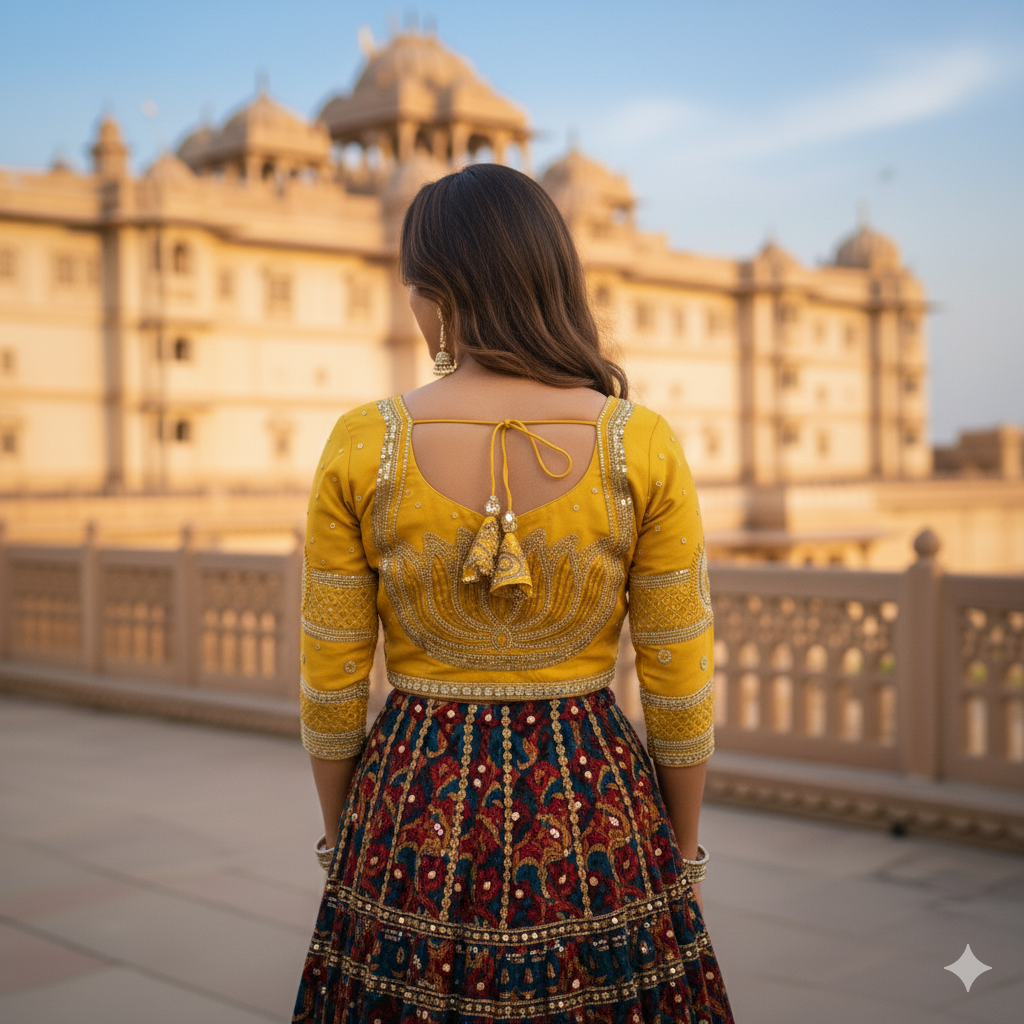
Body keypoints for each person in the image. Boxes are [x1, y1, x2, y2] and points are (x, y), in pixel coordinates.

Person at [293, 163, 736, 1023]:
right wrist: (679, 860)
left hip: (413, 801)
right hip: (595, 806)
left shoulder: (362, 443)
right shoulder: (634, 442)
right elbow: (681, 681)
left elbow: (332, 682)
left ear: (441, 292)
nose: (412, 305)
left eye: (414, 284)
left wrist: (348, 840)